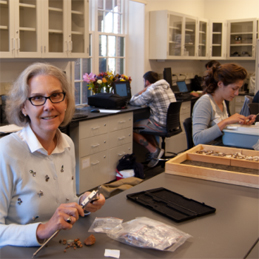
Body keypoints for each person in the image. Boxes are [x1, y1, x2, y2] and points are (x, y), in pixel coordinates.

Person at [0, 63, 105, 247]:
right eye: (38, 98)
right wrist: (44, 229)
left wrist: (82, 202)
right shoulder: (5, 151)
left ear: (65, 102)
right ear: (24, 107)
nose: (49, 106)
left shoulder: (67, 144)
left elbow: (63, 201)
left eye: (56, 95)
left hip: (59, 247)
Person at [192, 63, 256, 146]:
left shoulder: (222, 101)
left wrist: (240, 122)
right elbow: (197, 139)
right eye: (234, 89)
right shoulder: (205, 102)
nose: (237, 93)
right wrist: (225, 122)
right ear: (220, 84)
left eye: (238, 89)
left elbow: (222, 129)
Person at [129, 71, 176, 167]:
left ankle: (154, 151)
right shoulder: (166, 87)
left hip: (161, 124)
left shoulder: (152, 90)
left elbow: (133, 101)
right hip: (171, 123)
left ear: (146, 82)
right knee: (144, 126)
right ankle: (156, 151)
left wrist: (143, 90)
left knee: (130, 129)